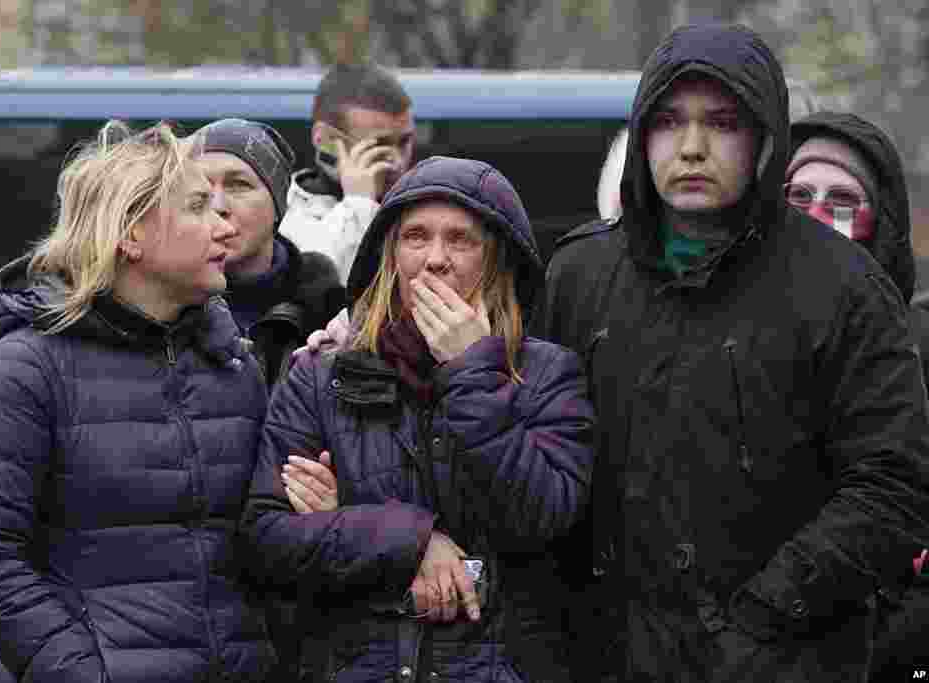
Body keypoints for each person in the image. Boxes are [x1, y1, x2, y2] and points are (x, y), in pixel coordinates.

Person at [534, 23, 929, 681]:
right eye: (667, 122)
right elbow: (534, 467)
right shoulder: (579, 276)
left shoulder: (844, 288)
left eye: (720, 123)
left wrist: (765, 611)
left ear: (764, 139)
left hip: (787, 660)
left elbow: (896, 482)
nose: (691, 147)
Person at [242, 155, 595, 682]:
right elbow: (266, 538)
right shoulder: (322, 375)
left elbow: (544, 517)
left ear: (497, 260)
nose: (435, 260)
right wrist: (407, 541)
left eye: (460, 240)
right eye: (415, 237)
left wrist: (472, 372)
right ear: (390, 255)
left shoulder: (546, 374)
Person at [0, 122, 276, 682]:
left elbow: (257, 551)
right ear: (130, 233)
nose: (226, 224)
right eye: (198, 206)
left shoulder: (234, 366)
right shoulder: (22, 372)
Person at [785, 111, 929, 681]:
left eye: (842, 202)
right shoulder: (724, 331)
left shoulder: (916, 347)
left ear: (879, 223)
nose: (818, 216)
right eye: (799, 196)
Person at [196, 117, 345, 386]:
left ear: (278, 204)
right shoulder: (163, 313)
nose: (217, 205)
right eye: (200, 189)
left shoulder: (331, 315)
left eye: (238, 185)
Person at [279, 62, 416, 284]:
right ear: (324, 140)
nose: (398, 162)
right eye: (379, 146)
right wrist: (359, 205)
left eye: (404, 142)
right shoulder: (285, 219)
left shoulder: (423, 209)